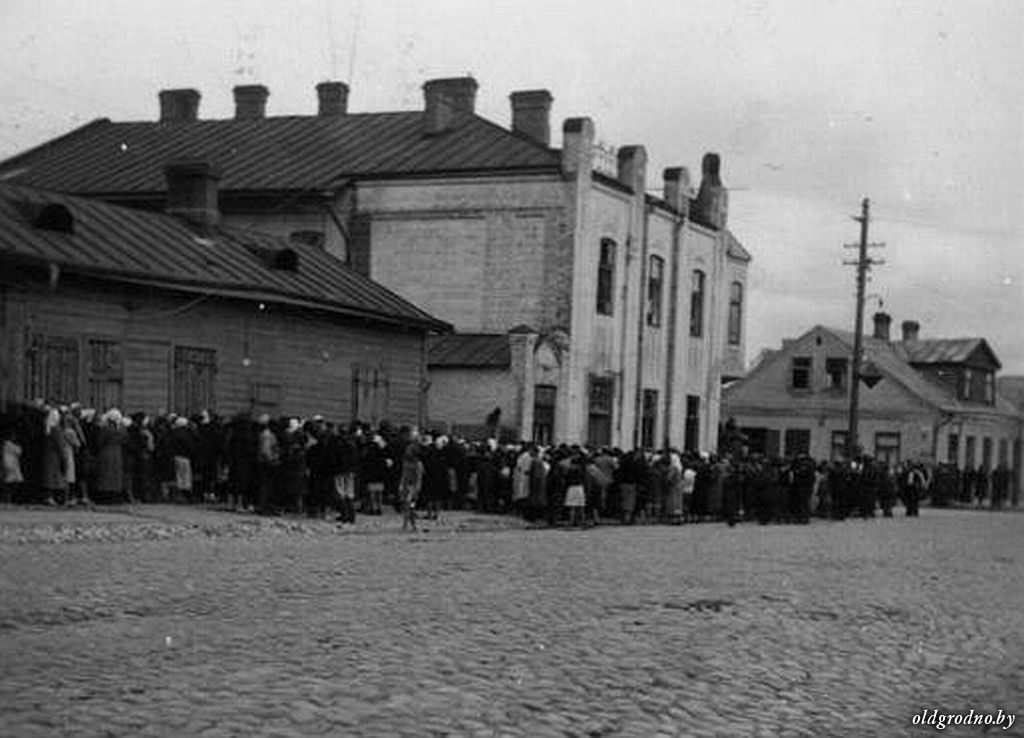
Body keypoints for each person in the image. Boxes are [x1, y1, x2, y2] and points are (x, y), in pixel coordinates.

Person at [399, 443, 424, 531]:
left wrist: (416, 489)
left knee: (410, 506)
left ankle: (410, 524)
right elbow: (403, 476)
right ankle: (408, 524)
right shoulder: (408, 463)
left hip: (412, 487)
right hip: (407, 486)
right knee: (407, 506)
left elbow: (418, 478)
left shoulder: (417, 464)